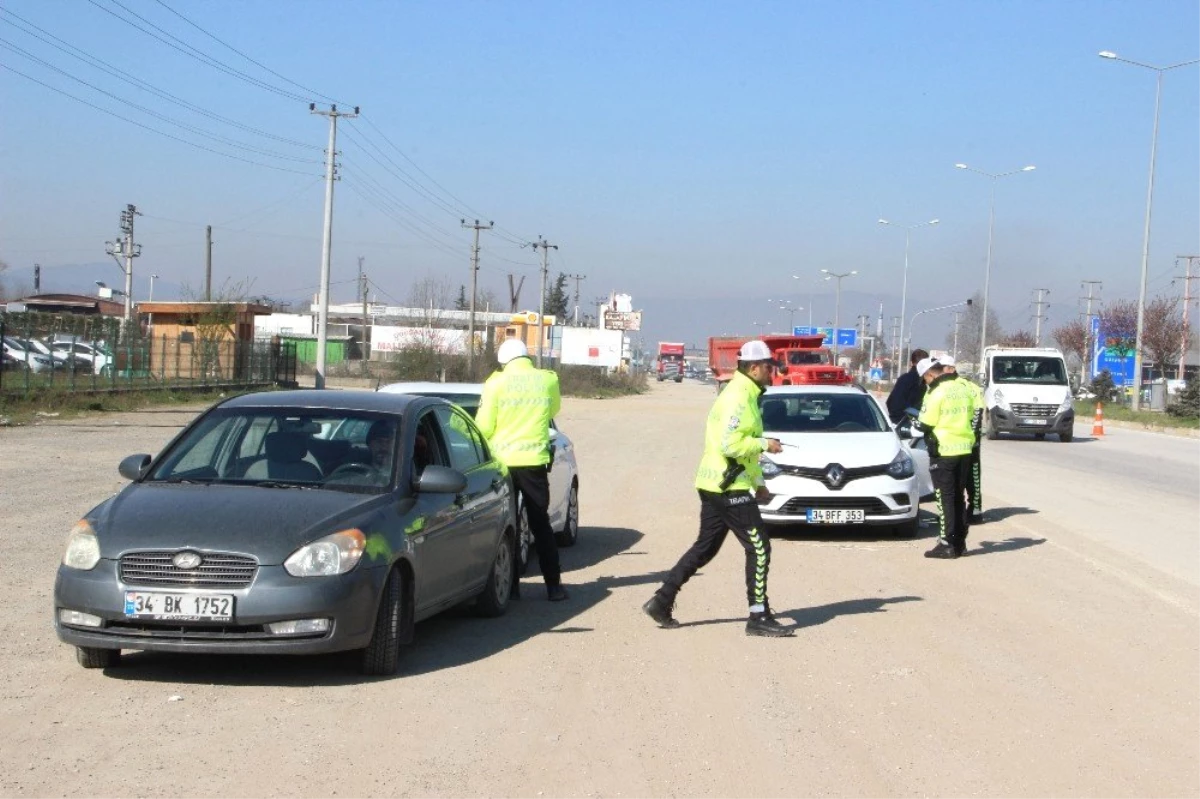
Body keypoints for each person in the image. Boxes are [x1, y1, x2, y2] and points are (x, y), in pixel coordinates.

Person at [642, 340, 793, 637]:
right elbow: (731, 444)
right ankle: (758, 615)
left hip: (718, 483)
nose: (772, 372)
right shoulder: (738, 397)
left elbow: (743, 450)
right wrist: (765, 444)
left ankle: (661, 601)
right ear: (753, 368)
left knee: (705, 548)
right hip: (728, 487)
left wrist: (759, 483)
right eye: (768, 367)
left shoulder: (747, 394)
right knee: (759, 547)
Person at [475, 338, 568, 601]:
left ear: (504, 362)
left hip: (502, 464)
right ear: (527, 357)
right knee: (540, 524)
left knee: (508, 525)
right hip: (534, 463)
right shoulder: (547, 379)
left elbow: (484, 427)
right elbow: (553, 409)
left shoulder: (495, 384)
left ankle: (512, 588)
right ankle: (554, 587)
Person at [912, 357, 979, 558]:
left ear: (929, 374)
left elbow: (924, 423)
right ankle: (960, 542)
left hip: (944, 451)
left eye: (925, 379)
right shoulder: (963, 387)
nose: (926, 383)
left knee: (945, 499)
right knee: (959, 497)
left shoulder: (936, 392)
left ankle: (946, 543)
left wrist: (914, 424)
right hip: (964, 449)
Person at [939, 356, 984, 524]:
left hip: (967, 438)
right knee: (969, 475)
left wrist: (973, 435)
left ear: (950, 369)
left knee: (971, 475)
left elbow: (978, 412)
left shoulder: (968, 387)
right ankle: (972, 509)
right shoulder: (962, 386)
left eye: (942, 368)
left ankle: (975, 509)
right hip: (964, 438)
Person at [886, 348, 930, 424]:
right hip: (911, 424)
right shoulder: (924, 382)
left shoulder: (904, 379)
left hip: (899, 423)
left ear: (911, 363)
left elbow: (891, 402)